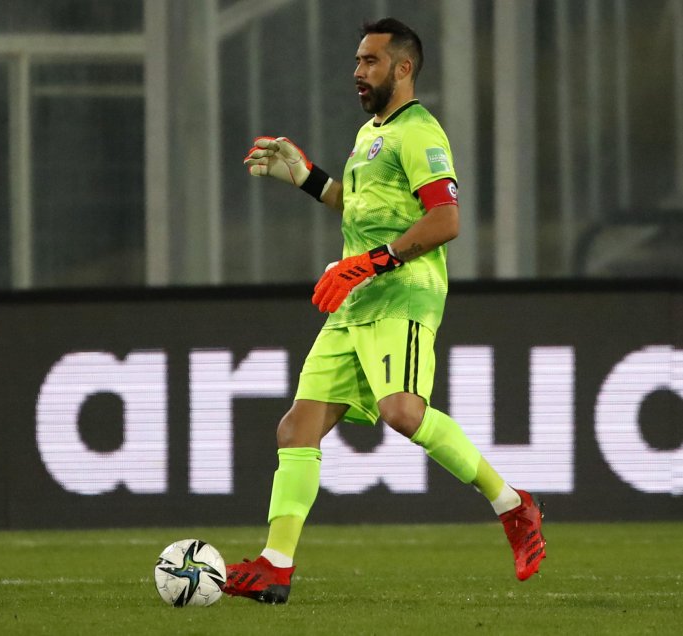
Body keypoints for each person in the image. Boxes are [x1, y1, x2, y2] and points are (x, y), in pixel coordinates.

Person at [223, 17, 546, 604]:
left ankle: (513, 505)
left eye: (369, 61)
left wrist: (368, 264)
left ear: (403, 68)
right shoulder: (370, 132)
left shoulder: (420, 132)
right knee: (297, 426)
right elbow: (361, 209)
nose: (357, 72)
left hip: (402, 294)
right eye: (356, 61)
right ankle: (275, 565)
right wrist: (306, 178)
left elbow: (445, 221)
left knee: (402, 412)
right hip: (354, 301)